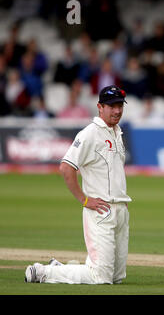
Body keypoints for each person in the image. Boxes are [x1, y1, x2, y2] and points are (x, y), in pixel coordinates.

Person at [25, 85, 132, 284]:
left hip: (121, 210)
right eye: (112, 106)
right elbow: (66, 167)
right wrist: (84, 200)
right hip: (101, 210)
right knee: (100, 277)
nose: (117, 110)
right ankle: (43, 272)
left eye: (120, 105)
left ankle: (60, 268)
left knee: (116, 277)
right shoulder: (90, 134)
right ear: (100, 107)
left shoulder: (117, 132)